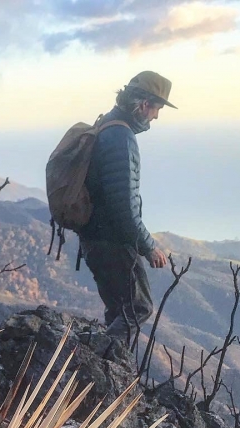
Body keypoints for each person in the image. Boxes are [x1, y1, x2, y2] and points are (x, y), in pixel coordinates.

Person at [80, 71, 175, 343]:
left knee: (118, 308)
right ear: (144, 104)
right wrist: (148, 247)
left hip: (93, 237)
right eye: (157, 108)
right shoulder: (122, 139)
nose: (156, 116)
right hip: (111, 240)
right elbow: (124, 205)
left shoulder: (106, 124)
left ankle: (102, 372)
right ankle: (98, 362)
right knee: (139, 307)